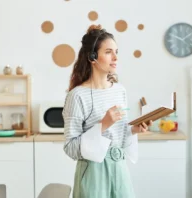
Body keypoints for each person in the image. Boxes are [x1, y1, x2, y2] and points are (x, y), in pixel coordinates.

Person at [62, 24, 152, 198]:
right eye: (109, 52)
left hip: (120, 169)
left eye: (117, 52)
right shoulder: (77, 96)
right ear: (93, 57)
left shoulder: (120, 91)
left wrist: (134, 130)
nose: (115, 58)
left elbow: (118, 136)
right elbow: (70, 148)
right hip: (93, 174)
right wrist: (103, 125)